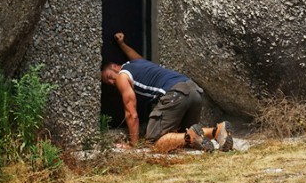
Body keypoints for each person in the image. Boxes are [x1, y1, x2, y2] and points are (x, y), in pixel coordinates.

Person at [100, 32, 233, 152]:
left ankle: (194, 136)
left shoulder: (122, 77)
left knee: (154, 141)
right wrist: (121, 43)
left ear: (115, 66)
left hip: (176, 93)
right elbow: (134, 56)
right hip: (194, 90)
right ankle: (217, 131)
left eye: (108, 77)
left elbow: (131, 114)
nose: (111, 82)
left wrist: (134, 146)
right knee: (181, 134)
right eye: (108, 83)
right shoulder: (138, 64)